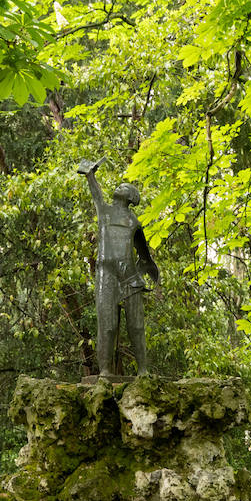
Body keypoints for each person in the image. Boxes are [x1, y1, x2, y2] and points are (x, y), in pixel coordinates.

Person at [78, 157, 157, 375]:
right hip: (107, 273)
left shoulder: (134, 221)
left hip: (130, 276)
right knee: (108, 325)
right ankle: (105, 371)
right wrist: (90, 174)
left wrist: (147, 272)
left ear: (132, 197)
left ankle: (143, 370)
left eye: (124, 187)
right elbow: (96, 192)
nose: (118, 187)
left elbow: (144, 254)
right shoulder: (104, 210)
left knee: (136, 326)